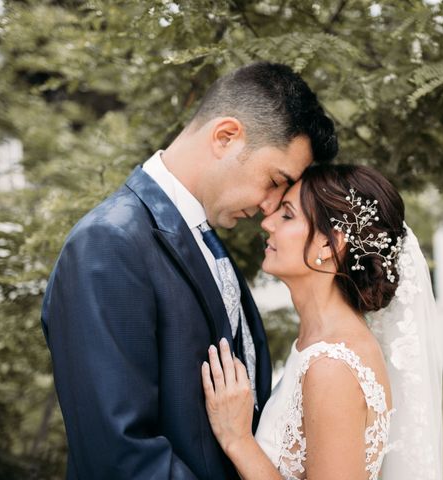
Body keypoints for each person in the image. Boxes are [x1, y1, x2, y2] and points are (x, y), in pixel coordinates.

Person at [41, 62, 337, 479]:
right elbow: (119, 457)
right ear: (226, 136)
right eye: (274, 179)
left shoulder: (205, 239)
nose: (271, 206)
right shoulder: (110, 244)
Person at [202, 164, 443, 480]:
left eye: (287, 215)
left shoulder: (332, 367)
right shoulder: (318, 342)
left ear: (330, 244)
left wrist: (238, 440)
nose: (268, 222)